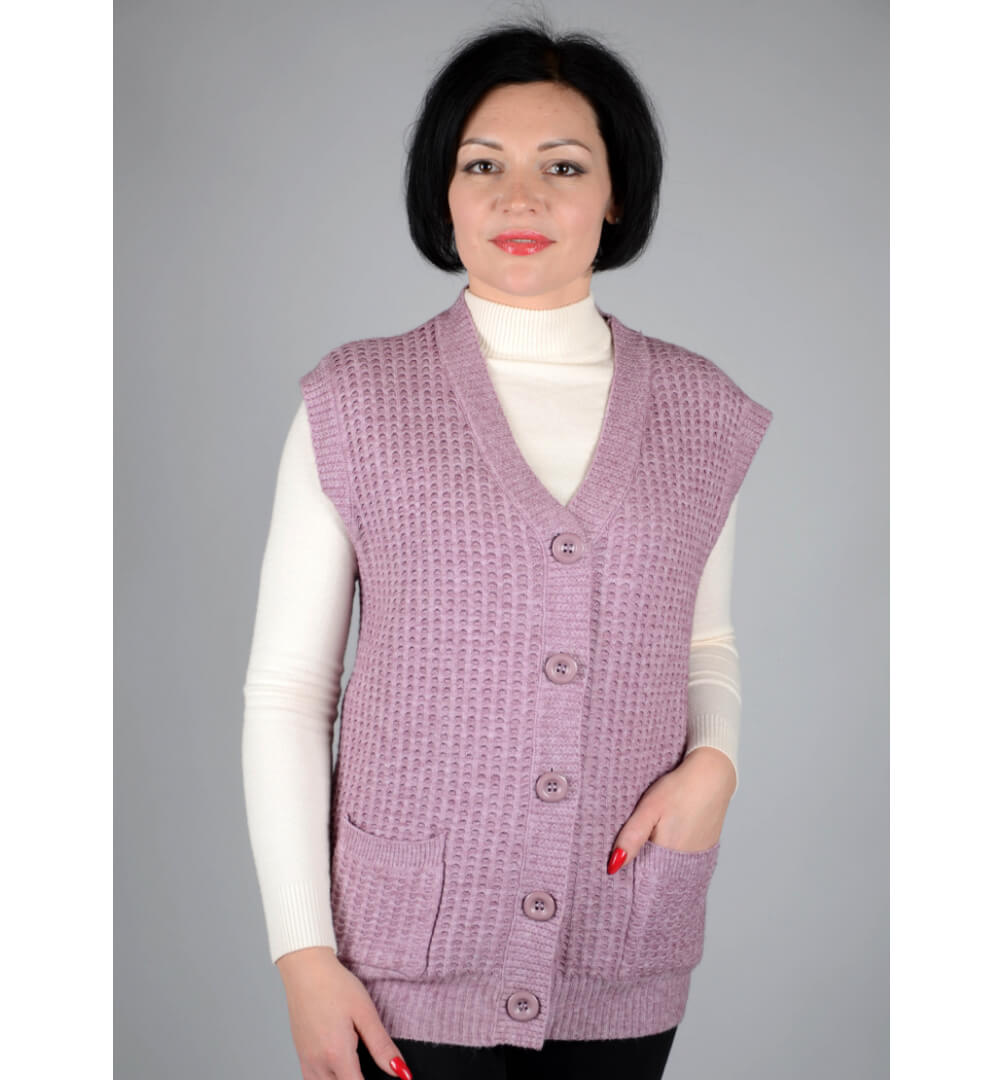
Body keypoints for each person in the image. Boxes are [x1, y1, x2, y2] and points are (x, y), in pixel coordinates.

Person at [242, 15, 773, 1080]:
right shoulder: (357, 400)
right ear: (443, 191)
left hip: (621, 944)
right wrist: (302, 954)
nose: (517, 198)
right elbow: (289, 693)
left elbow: (703, 643)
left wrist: (716, 762)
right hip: (403, 955)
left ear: (614, 193)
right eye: (481, 164)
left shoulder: (701, 411)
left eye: (561, 166)